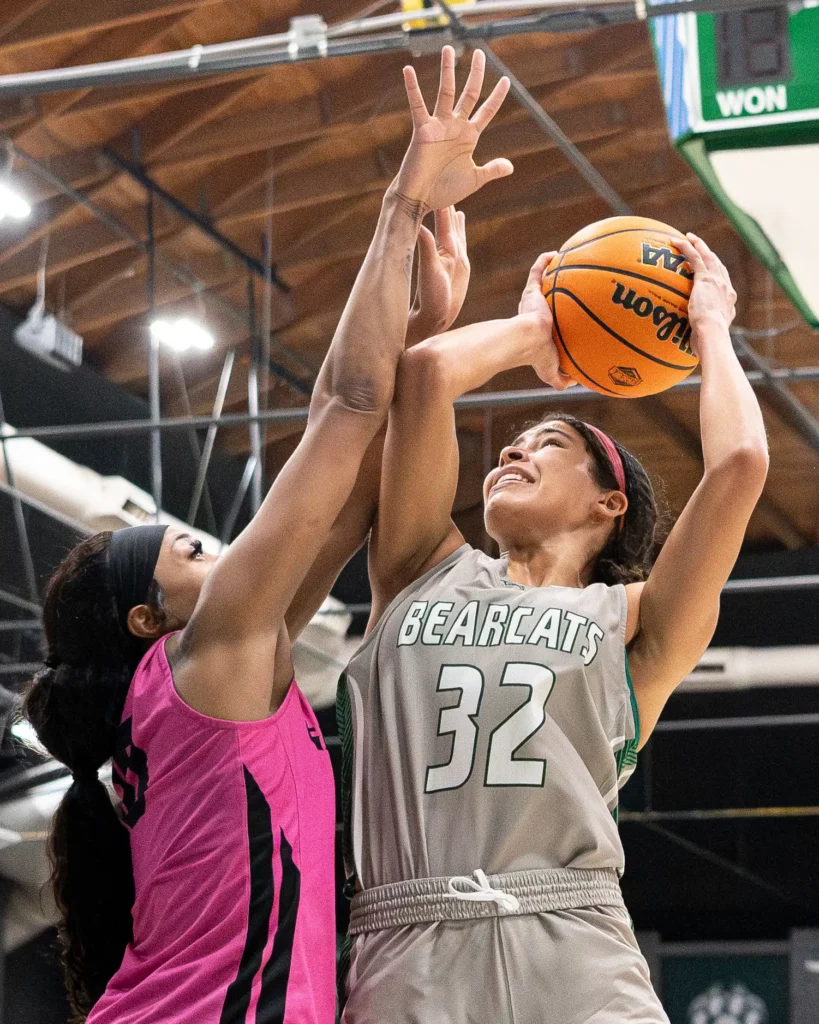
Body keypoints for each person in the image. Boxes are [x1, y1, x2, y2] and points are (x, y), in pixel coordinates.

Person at [22, 46, 513, 1024]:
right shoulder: (203, 658)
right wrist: (398, 205)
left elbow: (361, 493)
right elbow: (345, 400)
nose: (217, 544)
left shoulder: (216, 672)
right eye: (190, 550)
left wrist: (425, 333)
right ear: (146, 617)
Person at [337, 233, 769, 1023]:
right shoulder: (416, 570)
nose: (512, 446)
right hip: (407, 941)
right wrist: (539, 327)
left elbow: (738, 460)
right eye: (515, 438)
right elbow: (428, 374)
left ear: (611, 503)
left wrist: (709, 328)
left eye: (550, 442)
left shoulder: (634, 618)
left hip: (571, 937)